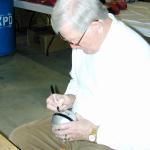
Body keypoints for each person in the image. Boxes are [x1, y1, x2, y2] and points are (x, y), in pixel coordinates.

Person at [9, 0, 150, 150]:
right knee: (19, 139)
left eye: (75, 41)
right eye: (68, 40)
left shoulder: (137, 57)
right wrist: (69, 98)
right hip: (75, 122)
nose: (73, 47)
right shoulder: (82, 40)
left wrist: (92, 132)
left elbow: (144, 136)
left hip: (108, 139)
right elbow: (77, 80)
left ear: (96, 26)